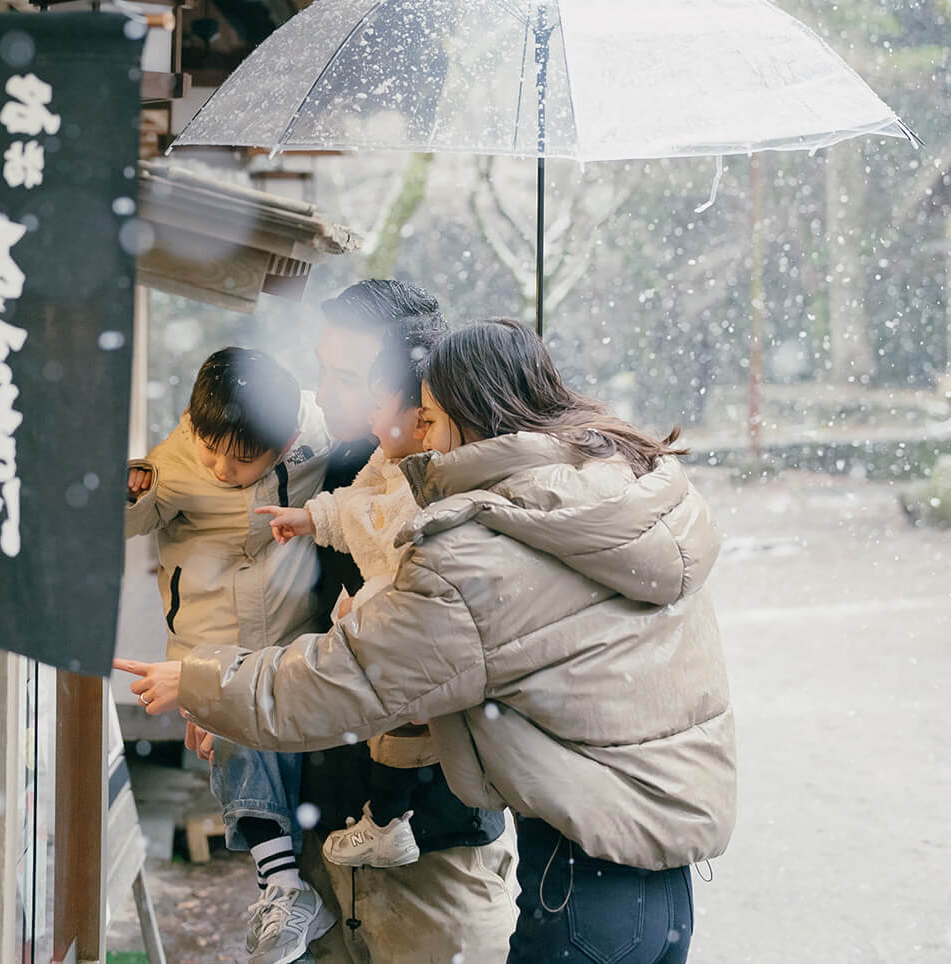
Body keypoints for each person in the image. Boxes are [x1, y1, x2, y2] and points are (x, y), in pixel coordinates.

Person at [122, 319, 737, 964]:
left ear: (472, 417)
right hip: (658, 870)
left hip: (579, 873)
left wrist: (196, 681)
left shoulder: (487, 545)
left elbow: (351, 678)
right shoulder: (609, 488)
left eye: (433, 419)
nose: (424, 438)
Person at [120, 346, 336, 964]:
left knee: (291, 762)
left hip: (292, 637)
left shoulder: (317, 436)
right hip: (210, 642)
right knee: (233, 729)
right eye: (211, 447)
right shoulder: (176, 462)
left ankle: (292, 889)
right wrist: (126, 491)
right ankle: (282, 885)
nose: (219, 468)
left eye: (241, 460)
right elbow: (131, 519)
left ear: (288, 438)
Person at [257, 324, 438, 870]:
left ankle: (388, 821)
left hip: (439, 839)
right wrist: (311, 517)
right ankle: (381, 820)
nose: (329, 395)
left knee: (402, 726)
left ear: (424, 415)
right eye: (322, 371)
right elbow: (356, 503)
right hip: (330, 788)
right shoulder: (372, 458)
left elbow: (389, 539)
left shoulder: (433, 476)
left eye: (355, 383)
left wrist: (360, 612)